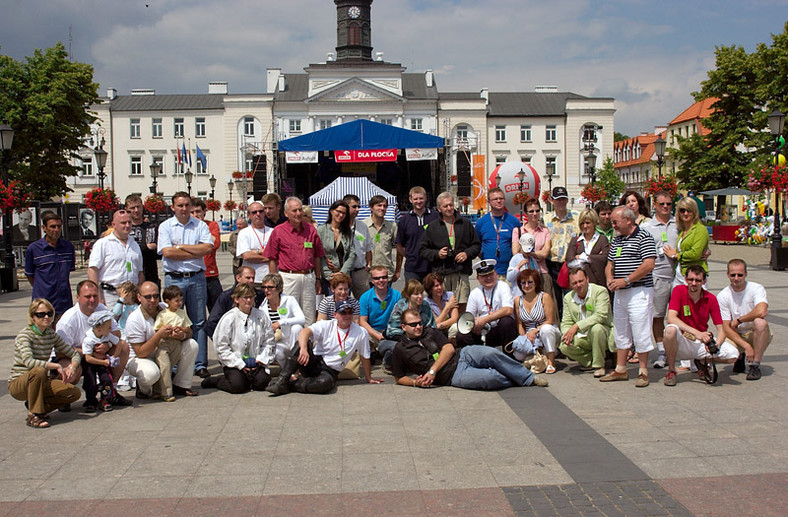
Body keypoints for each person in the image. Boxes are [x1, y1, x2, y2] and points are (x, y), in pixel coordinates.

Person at [391, 308, 548, 390]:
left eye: (419, 323)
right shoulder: (400, 349)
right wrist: (415, 383)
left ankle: (528, 378)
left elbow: (448, 349)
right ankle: (516, 373)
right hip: (453, 375)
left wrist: (432, 372)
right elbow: (399, 377)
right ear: (403, 327)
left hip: (462, 355)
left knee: (492, 354)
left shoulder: (429, 331)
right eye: (413, 325)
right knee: (490, 378)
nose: (418, 327)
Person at [265, 300, 383, 396]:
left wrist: (369, 378)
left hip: (330, 370)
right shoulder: (326, 325)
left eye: (350, 312)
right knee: (300, 345)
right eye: (343, 313)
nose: (347, 316)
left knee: (324, 384)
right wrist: (304, 349)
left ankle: (290, 385)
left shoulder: (360, 332)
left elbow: (365, 355)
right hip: (315, 361)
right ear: (335, 315)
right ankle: (282, 379)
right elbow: (304, 332)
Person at [157, 191, 213, 378]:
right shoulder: (166, 226)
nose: (184, 209)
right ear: (172, 207)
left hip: (196, 277)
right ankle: (174, 365)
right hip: (174, 278)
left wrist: (180, 247)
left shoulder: (200, 225)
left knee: (198, 321)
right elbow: (167, 252)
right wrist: (193, 252)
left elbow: (207, 248)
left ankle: (199, 364)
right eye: (180, 205)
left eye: (187, 205)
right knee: (173, 321)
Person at [601, 206, 656, 387]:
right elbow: (610, 263)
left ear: (628, 220)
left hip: (639, 290)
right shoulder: (617, 240)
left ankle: (643, 371)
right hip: (620, 292)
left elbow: (648, 264)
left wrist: (626, 280)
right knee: (621, 329)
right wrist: (610, 277)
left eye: (616, 222)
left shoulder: (644, 237)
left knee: (641, 329)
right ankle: (621, 368)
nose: (613, 225)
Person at [57, 280, 132, 407]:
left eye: (95, 296)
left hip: (99, 352)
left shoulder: (101, 309)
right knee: (71, 370)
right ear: (78, 298)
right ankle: (61, 394)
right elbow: (60, 351)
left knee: (123, 346)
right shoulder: (68, 320)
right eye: (87, 296)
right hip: (75, 355)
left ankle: (110, 392)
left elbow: (116, 333)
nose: (92, 300)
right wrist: (88, 352)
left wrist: (107, 345)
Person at [9, 299, 81, 428]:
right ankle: (34, 414)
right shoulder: (25, 335)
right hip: (19, 382)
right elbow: (29, 362)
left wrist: (73, 367)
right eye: (41, 314)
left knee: (73, 393)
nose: (46, 317)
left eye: (49, 313)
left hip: (40, 381)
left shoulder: (51, 335)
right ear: (33, 317)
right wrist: (56, 366)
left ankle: (39, 407)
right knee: (39, 370)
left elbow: (74, 354)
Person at [662, 265, 737, 386]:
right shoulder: (679, 291)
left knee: (733, 355)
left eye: (698, 280)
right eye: (691, 279)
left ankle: (703, 361)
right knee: (670, 330)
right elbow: (671, 318)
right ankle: (671, 370)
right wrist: (696, 333)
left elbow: (721, 329)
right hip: (681, 341)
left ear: (704, 281)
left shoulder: (711, 298)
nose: (694, 283)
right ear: (685, 280)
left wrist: (715, 345)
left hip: (700, 343)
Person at [125, 281, 199, 399]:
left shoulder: (167, 308)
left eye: (155, 296)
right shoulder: (135, 319)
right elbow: (140, 352)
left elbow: (190, 331)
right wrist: (158, 335)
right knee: (151, 374)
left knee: (192, 344)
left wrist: (182, 334)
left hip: (166, 351)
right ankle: (144, 389)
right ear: (139, 297)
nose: (153, 300)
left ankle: (180, 385)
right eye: (148, 297)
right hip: (142, 359)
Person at [201, 283, 274, 394]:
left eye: (251, 297)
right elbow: (221, 346)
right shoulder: (229, 318)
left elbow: (269, 341)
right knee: (237, 386)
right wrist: (239, 364)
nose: (248, 300)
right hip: (234, 362)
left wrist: (261, 359)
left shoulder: (261, 316)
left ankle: (250, 379)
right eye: (245, 297)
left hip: (256, 362)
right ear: (237, 299)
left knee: (262, 383)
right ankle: (217, 381)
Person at [264, 196, 325, 326]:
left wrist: (318, 279)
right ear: (286, 213)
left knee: (309, 315)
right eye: (294, 211)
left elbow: (317, 256)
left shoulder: (311, 229)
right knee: (288, 314)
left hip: (308, 277)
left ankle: (308, 344)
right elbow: (272, 259)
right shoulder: (278, 231)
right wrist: (274, 282)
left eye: (300, 210)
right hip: (288, 277)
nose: (298, 213)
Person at [420, 191, 481, 309]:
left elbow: (476, 245)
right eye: (445, 206)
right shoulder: (432, 227)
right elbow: (423, 250)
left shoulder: (465, 224)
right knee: (443, 306)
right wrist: (437, 254)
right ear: (439, 209)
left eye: (451, 205)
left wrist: (466, 253)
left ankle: (461, 326)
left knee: (462, 305)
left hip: (461, 272)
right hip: (441, 274)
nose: (449, 208)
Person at [717, 259, 772, 381]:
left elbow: (762, 311)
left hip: (754, 332)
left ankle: (755, 365)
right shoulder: (723, 295)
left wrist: (740, 320)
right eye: (733, 275)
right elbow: (726, 327)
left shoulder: (756, 288)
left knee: (760, 322)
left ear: (746, 274)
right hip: (735, 334)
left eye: (740, 275)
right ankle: (740, 355)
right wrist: (746, 346)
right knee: (720, 356)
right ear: (727, 274)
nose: (736, 278)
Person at [642, 191, 678, 368]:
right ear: (654, 205)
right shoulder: (647, 227)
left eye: (669, 204)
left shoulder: (678, 224)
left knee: (680, 315)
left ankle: (683, 351)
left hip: (678, 276)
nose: (665, 207)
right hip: (657, 277)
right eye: (662, 204)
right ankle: (662, 350)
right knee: (658, 316)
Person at [558, 268, 614, 377]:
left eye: (581, 281)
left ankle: (599, 365)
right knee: (564, 346)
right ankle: (590, 361)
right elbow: (566, 321)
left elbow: (600, 316)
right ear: (570, 285)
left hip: (603, 333)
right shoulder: (568, 298)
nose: (578, 285)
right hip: (582, 336)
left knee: (596, 329)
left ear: (587, 279)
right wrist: (567, 334)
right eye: (574, 283)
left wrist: (576, 326)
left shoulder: (600, 291)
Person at [87, 209, 144, 310]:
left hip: (131, 297)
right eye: (123, 223)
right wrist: (98, 296)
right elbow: (92, 270)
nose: (127, 225)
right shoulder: (103, 244)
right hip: (110, 295)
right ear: (114, 224)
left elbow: (140, 272)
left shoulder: (134, 245)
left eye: (129, 222)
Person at [455, 259, 517, 351]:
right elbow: (468, 317)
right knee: (461, 335)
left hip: (499, 329)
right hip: (482, 331)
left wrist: (484, 319)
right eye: (484, 276)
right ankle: (473, 360)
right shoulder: (475, 293)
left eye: (490, 274)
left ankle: (511, 358)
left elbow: (508, 310)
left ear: (496, 273)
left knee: (507, 322)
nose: (488, 278)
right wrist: (474, 326)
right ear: (478, 278)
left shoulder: (503, 286)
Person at [24, 211, 76, 320]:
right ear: (44, 228)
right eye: (52, 226)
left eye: (59, 226)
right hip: (43, 303)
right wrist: (41, 287)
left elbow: (69, 269)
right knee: (43, 335)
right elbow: (29, 274)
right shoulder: (34, 249)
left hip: (64, 301)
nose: (56, 230)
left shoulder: (68, 247)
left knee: (63, 335)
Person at [510, 268, 561, 373]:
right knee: (518, 354)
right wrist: (524, 338)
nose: (527, 286)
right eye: (523, 283)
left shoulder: (544, 297)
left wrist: (535, 331)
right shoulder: (517, 301)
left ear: (536, 283)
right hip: (529, 335)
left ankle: (551, 361)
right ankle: (537, 358)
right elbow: (520, 324)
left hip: (545, 332)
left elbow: (550, 320)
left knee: (547, 329)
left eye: (530, 282)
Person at [544, 186, 578, 318]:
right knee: (556, 302)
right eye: (558, 199)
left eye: (563, 199)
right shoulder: (546, 219)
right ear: (552, 201)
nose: (561, 202)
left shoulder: (576, 217)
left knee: (572, 300)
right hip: (552, 265)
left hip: (570, 265)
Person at [358, 265, 401, 371]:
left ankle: (384, 355)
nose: (381, 280)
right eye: (377, 278)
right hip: (372, 332)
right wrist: (377, 335)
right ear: (372, 280)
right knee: (361, 334)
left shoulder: (397, 295)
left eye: (384, 277)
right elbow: (362, 321)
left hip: (391, 331)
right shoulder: (365, 297)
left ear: (388, 278)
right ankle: (374, 352)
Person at [153, 285, 191, 402]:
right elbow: (157, 329)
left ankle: (157, 390)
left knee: (169, 367)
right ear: (167, 301)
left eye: (181, 300)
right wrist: (168, 331)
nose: (179, 303)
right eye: (176, 301)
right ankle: (167, 393)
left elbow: (188, 327)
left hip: (177, 343)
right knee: (164, 366)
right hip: (164, 343)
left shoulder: (182, 313)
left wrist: (181, 330)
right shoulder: (163, 314)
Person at [508, 199, 553, 297]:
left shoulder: (545, 231)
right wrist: (537, 253)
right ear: (526, 213)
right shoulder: (518, 231)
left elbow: (545, 253)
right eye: (531, 211)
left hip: (542, 273)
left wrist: (528, 253)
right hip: (524, 274)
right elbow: (516, 252)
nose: (535, 214)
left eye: (537, 211)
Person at [259, 273, 306, 364]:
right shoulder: (262, 307)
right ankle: (288, 371)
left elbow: (302, 319)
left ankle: (296, 362)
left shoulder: (289, 300)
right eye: (264, 287)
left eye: (270, 287)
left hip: (293, 339)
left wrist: (281, 322)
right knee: (277, 353)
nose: (266, 290)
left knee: (297, 328)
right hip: (279, 342)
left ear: (279, 289)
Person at [206, 266, 263, 339]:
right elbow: (212, 323)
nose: (251, 281)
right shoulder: (226, 297)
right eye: (248, 278)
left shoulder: (260, 295)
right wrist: (221, 342)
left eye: (253, 278)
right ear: (238, 278)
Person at [81, 310, 122, 412]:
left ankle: (105, 399)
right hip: (91, 363)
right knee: (90, 382)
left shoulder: (107, 335)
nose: (111, 329)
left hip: (103, 362)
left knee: (107, 380)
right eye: (108, 327)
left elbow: (119, 343)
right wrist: (103, 362)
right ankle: (90, 401)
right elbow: (88, 358)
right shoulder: (88, 340)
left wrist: (113, 357)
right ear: (98, 329)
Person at [663, 197, 709, 287]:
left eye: (689, 210)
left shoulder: (700, 229)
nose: (686, 213)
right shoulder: (682, 230)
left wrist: (675, 255)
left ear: (694, 212)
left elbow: (695, 253)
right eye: (682, 211)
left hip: (695, 277)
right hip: (680, 274)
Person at [475, 187, 521, 279]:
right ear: (489, 202)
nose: (499, 201)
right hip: (489, 272)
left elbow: (519, 244)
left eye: (501, 198)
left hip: (509, 271)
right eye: (495, 199)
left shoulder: (514, 221)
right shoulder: (481, 222)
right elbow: (476, 245)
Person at [396, 186, 439, 282]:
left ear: (425, 198)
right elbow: (399, 245)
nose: (418, 201)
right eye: (415, 199)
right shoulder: (405, 220)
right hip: (412, 269)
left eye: (421, 198)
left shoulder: (435, 216)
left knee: (434, 296)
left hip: (432, 267)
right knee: (413, 296)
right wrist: (410, 255)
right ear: (410, 200)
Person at [316, 199, 356, 295]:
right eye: (338, 212)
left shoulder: (347, 231)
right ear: (331, 211)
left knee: (344, 306)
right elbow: (319, 255)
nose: (341, 215)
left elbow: (352, 254)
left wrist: (343, 272)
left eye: (344, 213)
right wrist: (329, 276)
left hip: (344, 275)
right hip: (329, 277)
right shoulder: (321, 230)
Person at [191, 198, 223, 312]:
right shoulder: (188, 228)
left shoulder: (212, 225)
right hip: (194, 274)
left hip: (210, 274)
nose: (196, 215)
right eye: (192, 212)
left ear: (204, 211)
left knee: (217, 309)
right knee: (197, 311)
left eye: (198, 211)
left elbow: (215, 244)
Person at [564, 208, 610, 287]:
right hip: (579, 286)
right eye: (582, 223)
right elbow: (569, 260)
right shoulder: (575, 240)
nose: (585, 226)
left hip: (598, 283)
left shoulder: (602, 239)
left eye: (588, 223)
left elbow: (605, 258)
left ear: (594, 223)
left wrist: (583, 257)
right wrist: (595, 258)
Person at [364, 195, 402, 283]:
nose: (382, 208)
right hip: (368, 273)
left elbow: (399, 249)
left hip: (386, 273)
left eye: (385, 206)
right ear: (371, 207)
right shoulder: (363, 225)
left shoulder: (392, 226)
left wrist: (398, 270)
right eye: (379, 205)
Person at [125, 194, 161, 286]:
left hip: (151, 274)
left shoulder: (152, 227)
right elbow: (126, 250)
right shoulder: (125, 229)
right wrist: (146, 247)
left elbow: (159, 250)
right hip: (130, 275)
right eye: (132, 208)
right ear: (126, 209)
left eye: (138, 207)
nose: (136, 210)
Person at [343, 194, 374, 299]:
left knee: (364, 303)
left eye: (358, 207)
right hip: (343, 271)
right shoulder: (338, 225)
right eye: (354, 206)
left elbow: (368, 248)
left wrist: (369, 265)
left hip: (360, 271)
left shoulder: (362, 226)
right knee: (343, 305)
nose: (357, 209)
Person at [236, 201, 272, 288]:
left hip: (270, 280)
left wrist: (255, 252)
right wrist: (269, 257)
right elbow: (247, 256)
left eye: (260, 211)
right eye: (254, 212)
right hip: (252, 280)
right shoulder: (244, 233)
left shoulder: (273, 231)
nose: (258, 214)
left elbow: (279, 254)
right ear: (249, 215)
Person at [423, 272, 459, 337]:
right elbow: (434, 323)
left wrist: (440, 325)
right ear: (430, 289)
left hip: (448, 328)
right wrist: (447, 308)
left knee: (455, 328)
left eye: (441, 284)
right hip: (435, 332)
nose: (440, 287)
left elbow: (455, 318)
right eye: (436, 286)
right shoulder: (426, 302)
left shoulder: (450, 295)